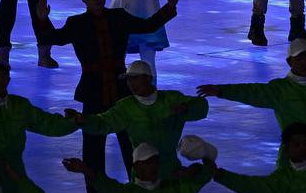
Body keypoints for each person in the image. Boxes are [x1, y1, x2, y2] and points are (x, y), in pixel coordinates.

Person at [34, 0, 181, 193]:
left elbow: (147, 26)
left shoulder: (119, 17)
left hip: (122, 88)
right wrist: (43, 19)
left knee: (130, 140)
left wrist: (169, 7)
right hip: (93, 90)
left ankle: (138, 183)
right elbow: (54, 38)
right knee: (93, 143)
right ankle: (95, 190)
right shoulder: (76, 23)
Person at [197, 39, 306, 162]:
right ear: (290, 62)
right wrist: (222, 91)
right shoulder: (280, 90)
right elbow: (251, 92)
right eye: (299, 59)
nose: (305, 63)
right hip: (291, 157)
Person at [69, 60, 209, 180]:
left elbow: (201, 106)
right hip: (142, 173)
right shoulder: (126, 106)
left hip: (170, 170)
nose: (131, 84)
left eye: (135, 78)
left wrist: (186, 108)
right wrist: (85, 120)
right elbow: (104, 122)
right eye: (128, 79)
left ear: (148, 78)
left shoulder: (171, 99)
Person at [62, 143, 215, 193]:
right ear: (136, 167)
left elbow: (206, 174)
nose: (153, 166)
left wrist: (194, 169)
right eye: (148, 163)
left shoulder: (175, 188)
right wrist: (86, 170)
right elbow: (108, 186)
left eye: (155, 162)